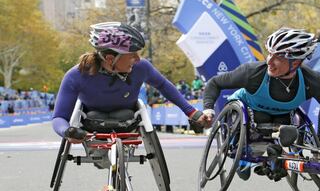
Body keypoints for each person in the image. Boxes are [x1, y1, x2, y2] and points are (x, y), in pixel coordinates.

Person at [202, 27, 320, 180]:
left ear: (296, 63)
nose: (269, 61)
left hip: (283, 117)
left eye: (278, 57)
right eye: (270, 53)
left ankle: (276, 153)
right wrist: (208, 109)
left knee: (287, 126)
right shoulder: (252, 73)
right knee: (260, 118)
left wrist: (319, 145)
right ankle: (244, 153)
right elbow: (214, 83)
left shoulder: (313, 81)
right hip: (247, 110)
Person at [52, 21, 209, 148]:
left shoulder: (141, 67)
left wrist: (191, 112)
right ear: (109, 58)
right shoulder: (76, 76)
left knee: (128, 114)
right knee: (90, 117)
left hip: (128, 119)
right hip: (92, 122)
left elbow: (163, 85)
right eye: (132, 55)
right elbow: (59, 117)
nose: (138, 59)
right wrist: (68, 132)